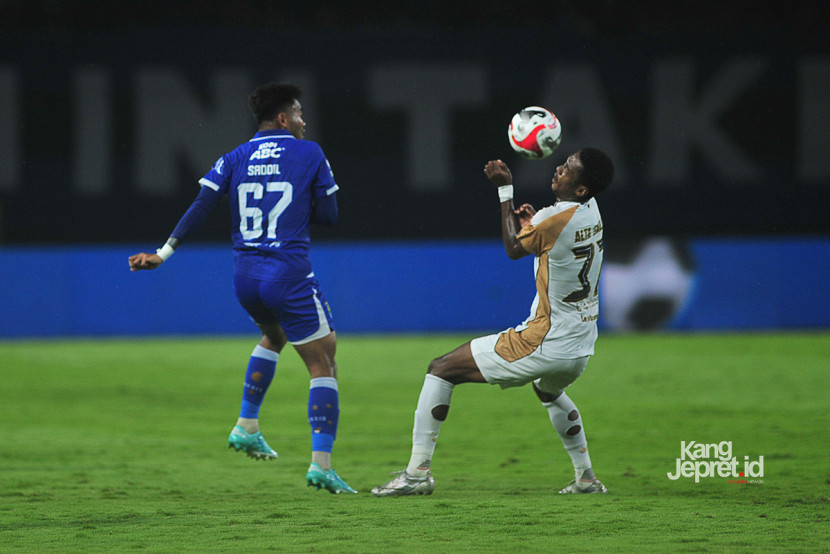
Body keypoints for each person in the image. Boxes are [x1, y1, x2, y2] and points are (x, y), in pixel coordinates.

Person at [128, 82, 356, 494]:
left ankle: (246, 424)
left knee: (274, 335)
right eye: (300, 114)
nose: (304, 121)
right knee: (324, 363)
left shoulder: (235, 156)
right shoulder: (310, 153)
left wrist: (162, 253)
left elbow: (201, 205)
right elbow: (330, 215)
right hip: (288, 275)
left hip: (246, 277)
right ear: (284, 118)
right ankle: (321, 464)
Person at [372, 148, 614, 497]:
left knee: (440, 369)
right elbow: (548, 233)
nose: (558, 169)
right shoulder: (591, 210)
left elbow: (515, 248)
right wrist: (534, 223)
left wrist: (505, 191)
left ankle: (416, 474)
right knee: (548, 390)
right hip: (581, 344)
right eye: (563, 163)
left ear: (581, 189)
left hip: (545, 340)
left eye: (567, 169)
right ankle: (586, 478)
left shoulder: (554, 218)